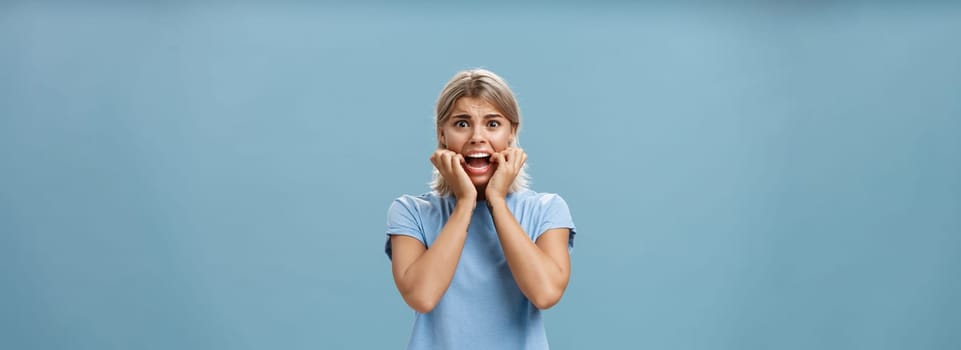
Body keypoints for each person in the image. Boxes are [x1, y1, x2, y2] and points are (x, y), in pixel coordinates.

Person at [384, 68, 577, 350]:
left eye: (493, 124)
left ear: (512, 133)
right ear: (442, 134)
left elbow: (545, 293)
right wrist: (465, 202)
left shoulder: (547, 210)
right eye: (461, 124)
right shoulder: (410, 212)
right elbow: (422, 296)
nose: (477, 137)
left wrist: (497, 201)